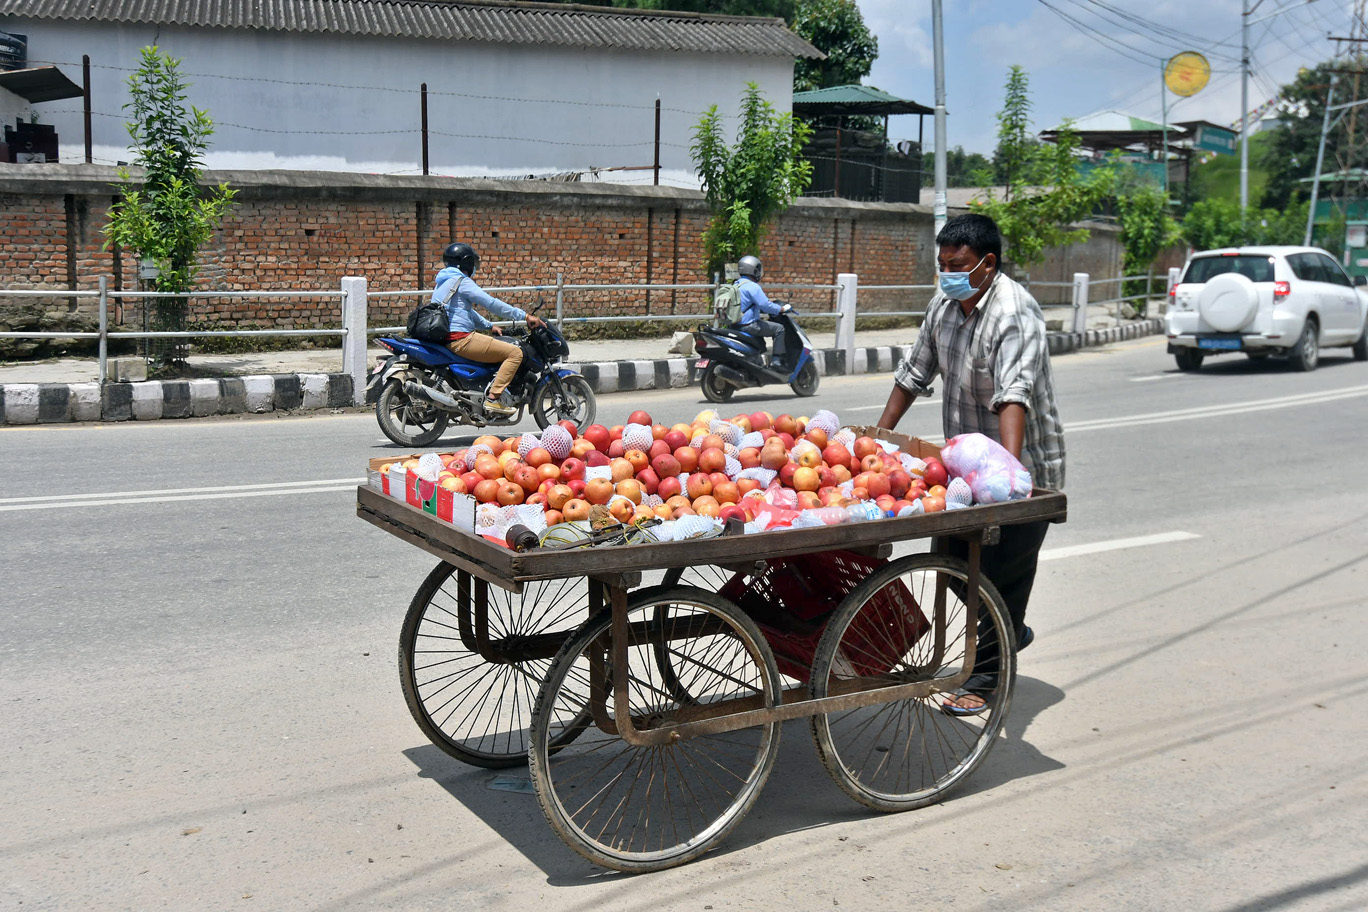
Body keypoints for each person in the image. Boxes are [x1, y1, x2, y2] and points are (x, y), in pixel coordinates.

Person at [875, 213, 1065, 717]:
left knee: (1002, 577)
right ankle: (1008, 633)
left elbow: (1013, 398)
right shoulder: (944, 305)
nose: (948, 274)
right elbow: (914, 373)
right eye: (942, 265)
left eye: (957, 265)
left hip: (1020, 471)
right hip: (963, 471)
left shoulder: (1013, 314)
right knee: (957, 570)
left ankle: (984, 677)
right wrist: (878, 440)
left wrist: (1005, 482)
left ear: (987, 264)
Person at [432, 242, 544, 416]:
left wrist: (489, 326)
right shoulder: (462, 281)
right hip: (461, 339)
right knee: (515, 353)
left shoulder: (443, 282)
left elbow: (466, 312)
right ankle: (493, 398)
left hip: (448, 338)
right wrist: (524, 316)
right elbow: (490, 303)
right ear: (466, 262)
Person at [733, 255, 789, 368]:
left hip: (735, 324)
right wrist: (781, 309)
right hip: (749, 325)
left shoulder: (736, 284)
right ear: (753, 269)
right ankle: (776, 362)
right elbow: (765, 305)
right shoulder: (752, 286)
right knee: (779, 329)